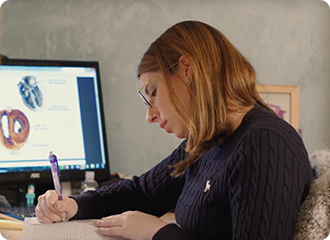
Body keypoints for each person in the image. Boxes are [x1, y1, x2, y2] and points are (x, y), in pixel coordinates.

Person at [36, 21, 313, 240]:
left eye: (153, 93)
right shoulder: (208, 141)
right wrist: (73, 205)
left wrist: (158, 232)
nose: (150, 116)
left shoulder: (264, 143)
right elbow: (142, 193)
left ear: (186, 70)